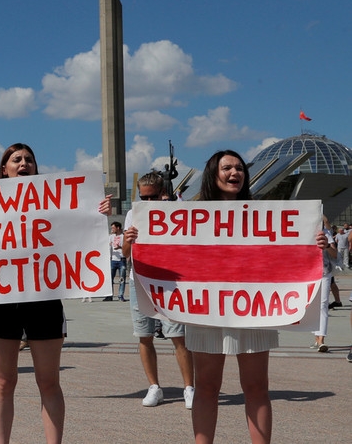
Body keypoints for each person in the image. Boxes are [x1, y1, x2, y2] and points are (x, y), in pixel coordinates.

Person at [186, 150, 329, 443]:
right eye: (227, 168)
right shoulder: (188, 215)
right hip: (206, 307)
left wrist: (316, 244)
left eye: (239, 168)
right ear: (213, 173)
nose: (234, 172)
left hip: (253, 308)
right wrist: (132, 243)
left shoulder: (264, 214)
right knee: (206, 387)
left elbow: (288, 257)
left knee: (256, 387)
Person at [0, 144, 110, 444]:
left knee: (49, 382)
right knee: (3, 382)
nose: (23, 163)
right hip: (2, 301)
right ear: (4, 169)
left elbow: (79, 233)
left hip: (45, 298)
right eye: (16, 160)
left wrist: (95, 213)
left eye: (29, 159)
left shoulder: (54, 203)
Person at [122, 171, 194, 409]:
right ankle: (154, 386)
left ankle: (188, 388)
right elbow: (124, 254)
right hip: (140, 280)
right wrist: (128, 240)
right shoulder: (134, 214)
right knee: (144, 336)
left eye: (153, 197)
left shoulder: (176, 212)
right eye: (144, 198)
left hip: (169, 282)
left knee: (178, 335)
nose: (148, 203)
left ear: (164, 194)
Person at [312, 219, 337, 352]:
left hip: (324, 273)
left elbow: (335, 254)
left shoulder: (326, 234)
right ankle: (317, 337)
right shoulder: (306, 232)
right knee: (312, 305)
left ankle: (321, 339)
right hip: (308, 273)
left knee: (323, 304)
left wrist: (327, 246)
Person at [107, 221, 126, 301]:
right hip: (113, 260)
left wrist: (120, 247)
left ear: (118, 228)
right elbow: (108, 247)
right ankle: (109, 295)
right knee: (110, 278)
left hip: (122, 260)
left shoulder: (124, 237)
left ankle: (120, 295)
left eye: (113, 228)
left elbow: (127, 248)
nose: (112, 229)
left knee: (122, 278)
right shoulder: (111, 237)